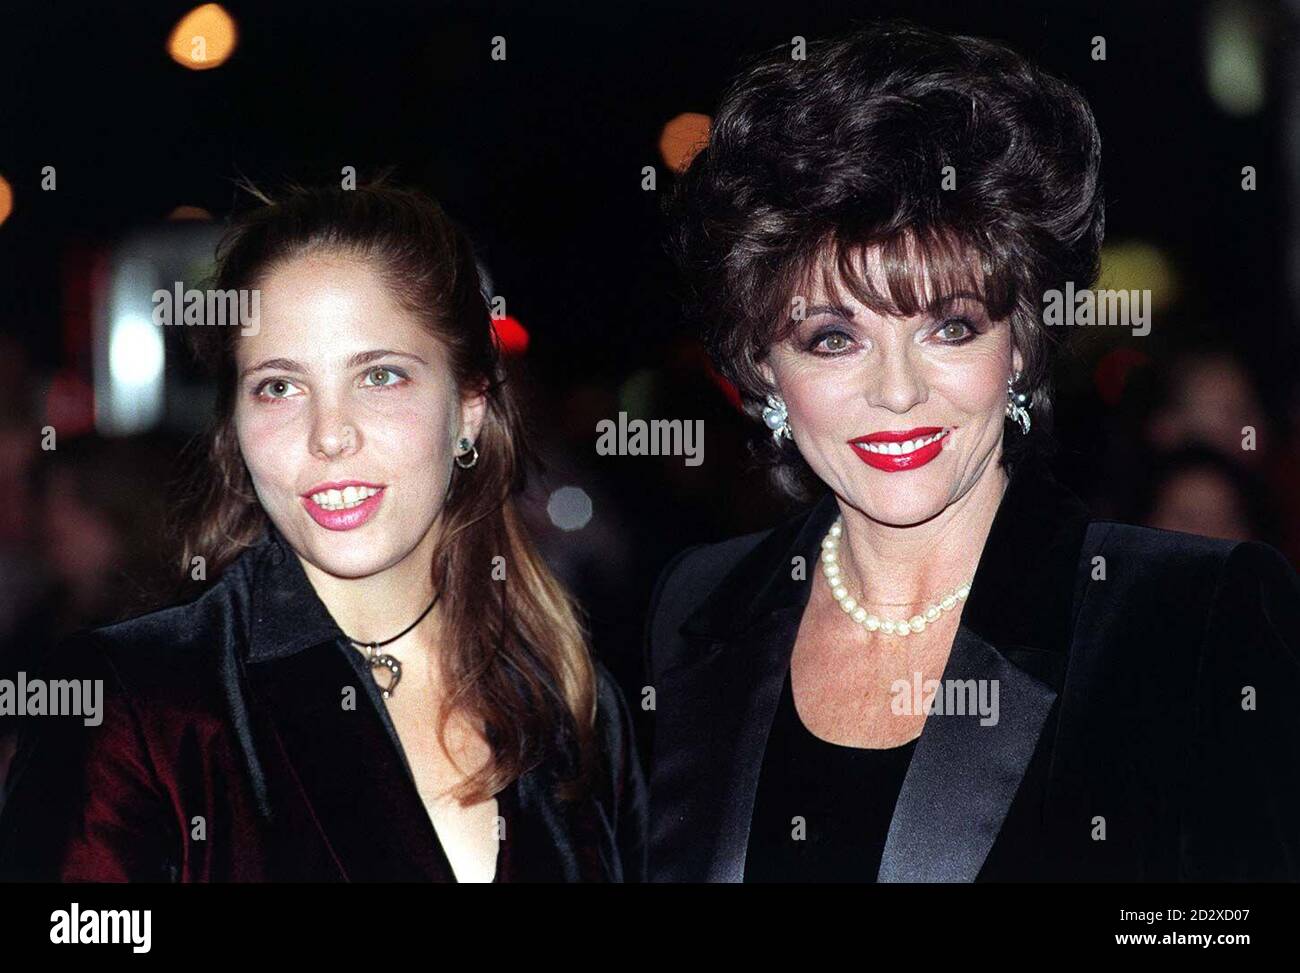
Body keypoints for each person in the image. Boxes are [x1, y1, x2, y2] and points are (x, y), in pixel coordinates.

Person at [647, 21, 1300, 882]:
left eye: (949, 326)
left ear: (1021, 344)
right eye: (833, 338)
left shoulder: (1196, 616)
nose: (898, 390)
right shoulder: (698, 607)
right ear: (763, 368)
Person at [0, 182, 646, 882]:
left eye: (380, 375)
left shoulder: (572, 709)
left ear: (469, 407)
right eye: (280, 386)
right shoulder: (136, 705)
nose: (329, 434)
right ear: (236, 427)